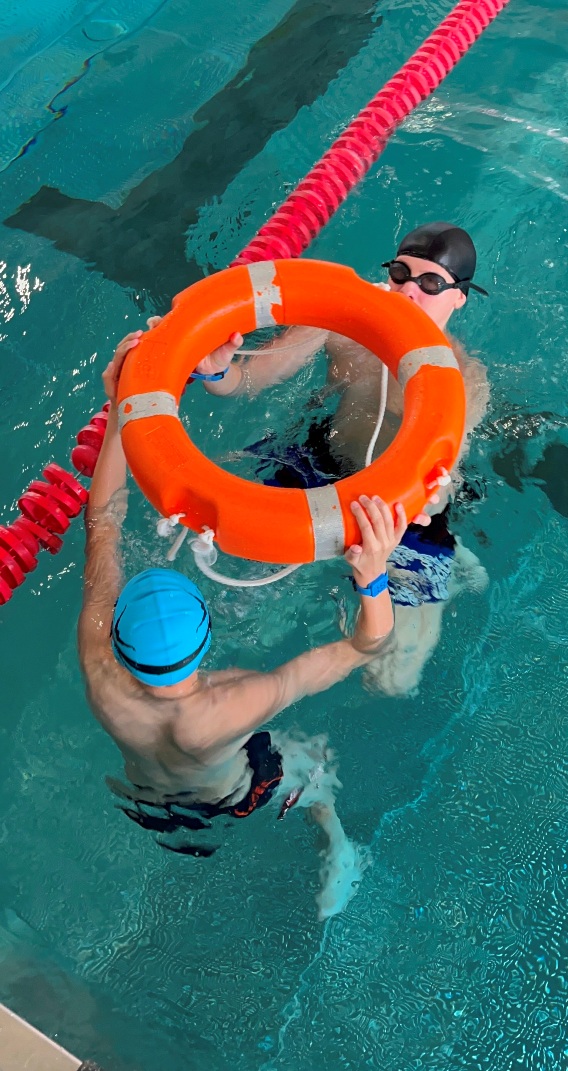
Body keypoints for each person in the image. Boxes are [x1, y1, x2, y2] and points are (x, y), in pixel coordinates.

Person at [78, 332, 407, 919]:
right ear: (205, 638)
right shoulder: (238, 703)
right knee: (317, 761)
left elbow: (103, 522)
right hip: (233, 796)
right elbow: (366, 646)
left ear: (118, 640)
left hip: (147, 800)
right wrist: (373, 574)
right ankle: (337, 845)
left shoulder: (101, 672)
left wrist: (123, 407)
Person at [183, 221, 490, 695]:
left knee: (391, 679)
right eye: (401, 273)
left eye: (431, 283)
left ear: (459, 297)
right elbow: (247, 382)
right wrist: (216, 370)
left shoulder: (464, 378)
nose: (409, 291)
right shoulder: (342, 325)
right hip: (318, 464)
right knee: (229, 596)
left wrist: (378, 550)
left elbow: (435, 487)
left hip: (398, 514)